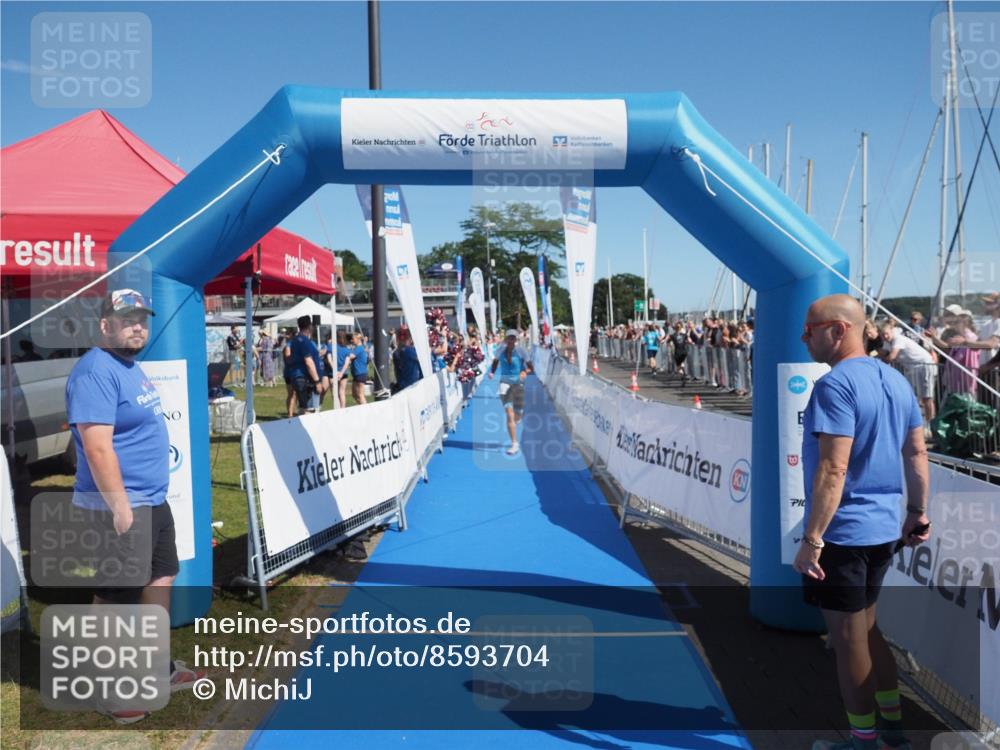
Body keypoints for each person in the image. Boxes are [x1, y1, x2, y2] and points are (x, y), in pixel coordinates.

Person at [794, 294, 930, 750]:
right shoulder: (895, 381)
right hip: (884, 529)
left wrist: (812, 538)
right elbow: (916, 453)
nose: (803, 338)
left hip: (846, 533)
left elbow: (833, 469)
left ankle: (864, 740)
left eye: (809, 330)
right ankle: (891, 731)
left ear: (839, 330)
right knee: (867, 631)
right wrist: (917, 512)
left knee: (849, 639)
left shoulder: (835, 386)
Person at [65, 289, 205, 724]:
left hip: (152, 501)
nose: (137, 326)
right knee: (116, 594)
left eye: (141, 318)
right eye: (126, 319)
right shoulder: (94, 371)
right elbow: (97, 449)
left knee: (160, 576)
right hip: (120, 506)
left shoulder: (129, 366)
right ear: (105, 324)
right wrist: (121, 507)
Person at [879, 321, 937, 429]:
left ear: (892, 331)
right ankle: (915, 425)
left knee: (927, 397)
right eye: (882, 335)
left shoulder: (898, 339)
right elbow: (881, 353)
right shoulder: (887, 342)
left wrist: (880, 360)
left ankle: (930, 426)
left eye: (886, 333)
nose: (885, 336)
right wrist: (873, 355)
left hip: (924, 365)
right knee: (912, 397)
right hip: (912, 369)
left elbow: (891, 357)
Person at [488, 330, 532, 455]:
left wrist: (525, 372)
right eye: (509, 338)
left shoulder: (521, 351)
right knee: (509, 414)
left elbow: (530, 367)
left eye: (513, 338)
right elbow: (495, 361)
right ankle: (514, 444)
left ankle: (516, 419)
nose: (511, 340)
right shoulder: (500, 350)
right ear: (506, 339)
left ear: (516, 339)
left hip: (518, 383)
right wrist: (492, 372)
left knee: (519, 413)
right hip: (504, 383)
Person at [285, 315, 326, 416]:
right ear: (310, 326)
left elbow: (290, 358)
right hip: (307, 379)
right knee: (311, 410)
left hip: (298, 377)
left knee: (303, 408)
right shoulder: (305, 341)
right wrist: (317, 381)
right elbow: (308, 362)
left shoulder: (295, 340)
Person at [392, 326, 423, 392]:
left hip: (403, 384)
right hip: (411, 386)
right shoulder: (408, 350)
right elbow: (422, 359)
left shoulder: (397, 352)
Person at [350, 331, 369, 405]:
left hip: (360, 373)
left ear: (358, 339)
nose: (351, 340)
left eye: (353, 339)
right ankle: (361, 407)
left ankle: (366, 411)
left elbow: (351, 356)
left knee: (360, 394)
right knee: (354, 394)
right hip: (357, 374)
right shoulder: (358, 348)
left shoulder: (359, 348)